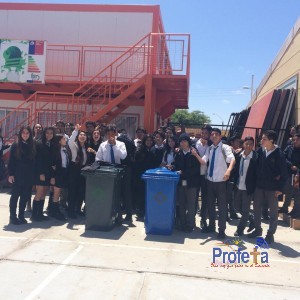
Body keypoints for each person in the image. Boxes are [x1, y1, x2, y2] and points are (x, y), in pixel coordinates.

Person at [193, 128, 235, 239]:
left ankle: (221, 230)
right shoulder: (210, 149)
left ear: (220, 136)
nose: (214, 136)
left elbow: (232, 159)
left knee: (222, 207)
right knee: (210, 206)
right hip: (210, 182)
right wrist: (195, 154)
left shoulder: (225, 148)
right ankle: (212, 226)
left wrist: (228, 170)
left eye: (216, 134)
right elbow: (203, 161)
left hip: (221, 182)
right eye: (212, 134)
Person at [248, 130, 288, 244]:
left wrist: (280, 189)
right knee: (256, 208)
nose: (262, 141)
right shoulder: (261, 150)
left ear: (271, 140)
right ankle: (257, 229)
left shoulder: (279, 154)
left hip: (273, 189)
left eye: (264, 139)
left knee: (273, 212)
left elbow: (284, 174)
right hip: (259, 186)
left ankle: (270, 234)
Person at [96, 124, 127, 223]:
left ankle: (118, 215)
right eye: (108, 134)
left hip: (117, 171)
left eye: (112, 134)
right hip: (105, 171)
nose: (110, 136)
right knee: (107, 195)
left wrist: (114, 146)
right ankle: (106, 214)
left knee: (117, 194)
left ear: (115, 134)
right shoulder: (102, 145)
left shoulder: (121, 144)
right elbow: (98, 158)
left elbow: (123, 156)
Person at [8, 126, 36, 225]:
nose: (25, 134)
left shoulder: (32, 145)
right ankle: (12, 217)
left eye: (27, 133)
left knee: (25, 197)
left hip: (28, 177)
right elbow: (11, 161)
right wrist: (11, 174)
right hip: (17, 175)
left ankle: (21, 215)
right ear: (20, 134)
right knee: (15, 196)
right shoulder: (15, 145)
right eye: (23, 132)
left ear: (30, 134)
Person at [173, 133, 200, 232]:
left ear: (189, 142)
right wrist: (172, 166)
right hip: (181, 183)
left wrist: (183, 172)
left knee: (191, 204)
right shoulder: (178, 153)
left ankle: (190, 224)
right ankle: (182, 223)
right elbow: (176, 165)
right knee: (181, 204)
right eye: (181, 141)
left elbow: (197, 169)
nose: (183, 143)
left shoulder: (194, 153)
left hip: (192, 183)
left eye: (185, 141)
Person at [232, 136, 257, 236]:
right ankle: (251, 218)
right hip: (238, 185)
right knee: (236, 206)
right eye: (247, 144)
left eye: (251, 144)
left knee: (245, 209)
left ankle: (240, 229)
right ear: (243, 144)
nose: (248, 146)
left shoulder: (256, 157)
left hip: (248, 187)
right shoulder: (239, 155)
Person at [31, 127, 55, 222]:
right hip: (40, 172)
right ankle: (34, 215)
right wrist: (41, 173)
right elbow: (38, 160)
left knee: (44, 192)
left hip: (48, 172)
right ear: (44, 133)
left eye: (51, 133)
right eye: (47, 133)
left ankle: (40, 213)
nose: (49, 135)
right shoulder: (39, 143)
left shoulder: (51, 144)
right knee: (39, 192)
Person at [68, 124, 88, 218]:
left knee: (81, 192)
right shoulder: (74, 146)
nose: (82, 136)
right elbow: (70, 141)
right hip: (74, 170)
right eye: (81, 135)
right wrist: (76, 131)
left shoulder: (86, 148)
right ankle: (71, 212)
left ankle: (78, 209)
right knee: (72, 192)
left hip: (82, 170)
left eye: (84, 135)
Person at [194, 125, 212, 229]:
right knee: (194, 197)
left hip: (206, 175)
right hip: (196, 175)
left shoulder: (212, 145)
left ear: (209, 134)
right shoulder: (195, 143)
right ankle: (192, 219)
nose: (203, 135)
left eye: (206, 133)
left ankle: (203, 219)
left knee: (205, 198)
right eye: (202, 133)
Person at [134, 134, 155, 218]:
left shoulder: (153, 150)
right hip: (141, 175)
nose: (149, 142)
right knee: (140, 193)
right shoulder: (140, 150)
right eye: (147, 140)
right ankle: (139, 210)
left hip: (150, 176)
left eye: (150, 140)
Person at [279, 133, 300, 218]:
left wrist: (297, 169)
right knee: (288, 191)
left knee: (297, 193)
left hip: (298, 174)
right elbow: (283, 157)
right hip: (289, 173)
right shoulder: (289, 148)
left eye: (297, 140)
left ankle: (296, 211)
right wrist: (290, 165)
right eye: (294, 140)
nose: (295, 141)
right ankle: (285, 208)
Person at [51, 134, 71, 220]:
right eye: (63, 139)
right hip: (57, 173)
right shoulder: (55, 151)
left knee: (59, 192)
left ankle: (54, 210)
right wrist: (53, 176)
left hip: (64, 172)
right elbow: (52, 165)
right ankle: (55, 211)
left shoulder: (65, 150)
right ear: (59, 140)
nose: (65, 140)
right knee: (56, 192)